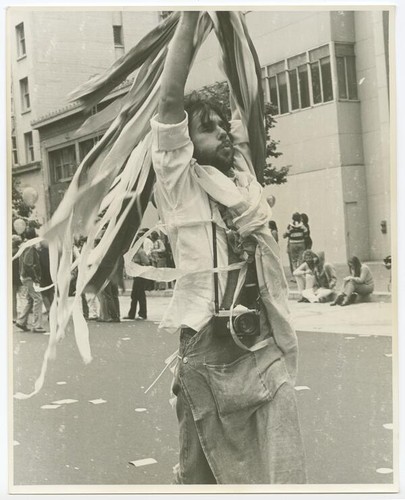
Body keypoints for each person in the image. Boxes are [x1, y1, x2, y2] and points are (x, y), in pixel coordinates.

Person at [149, 11, 306, 484]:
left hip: (259, 343)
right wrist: (193, 13)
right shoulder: (181, 184)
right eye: (206, 128)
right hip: (208, 347)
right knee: (202, 475)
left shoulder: (243, 183)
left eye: (222, 126)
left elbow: (247, 102)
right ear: (184, 142)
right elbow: (170, 99)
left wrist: (234, 31)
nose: (221, 133)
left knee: (281, 456)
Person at [15, 227, 47, 333]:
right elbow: (28, 263)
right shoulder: (29, 247)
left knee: (31, 299)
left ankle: (21, 321)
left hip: (25, 277)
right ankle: (37, 325)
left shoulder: (26, 246)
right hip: (29, 277)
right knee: (38, 299)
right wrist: (35, 277)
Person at [124, 232, 150, 320]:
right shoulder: (135, 252)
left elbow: (146, 262)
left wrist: (137, 264)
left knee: (140, 294)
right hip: (136, 274)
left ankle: (142, 314)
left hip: (140, 274)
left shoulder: (140, 251)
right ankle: (132, 314)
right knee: (134, 295)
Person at [38, 240, 54, 313]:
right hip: (51, 275)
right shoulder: (52, 252)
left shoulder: (40, 252)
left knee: (44, 294)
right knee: (51, 293)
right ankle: (53, 310)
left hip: (43, 276)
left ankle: (49, 310)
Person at [12, 234, 22, 322]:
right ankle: (22, 317)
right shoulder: (20, 251)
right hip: (20, 277)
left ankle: (14, 317)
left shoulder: (10, 252)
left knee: (13, 298)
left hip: (13, 278)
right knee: (23, 298)